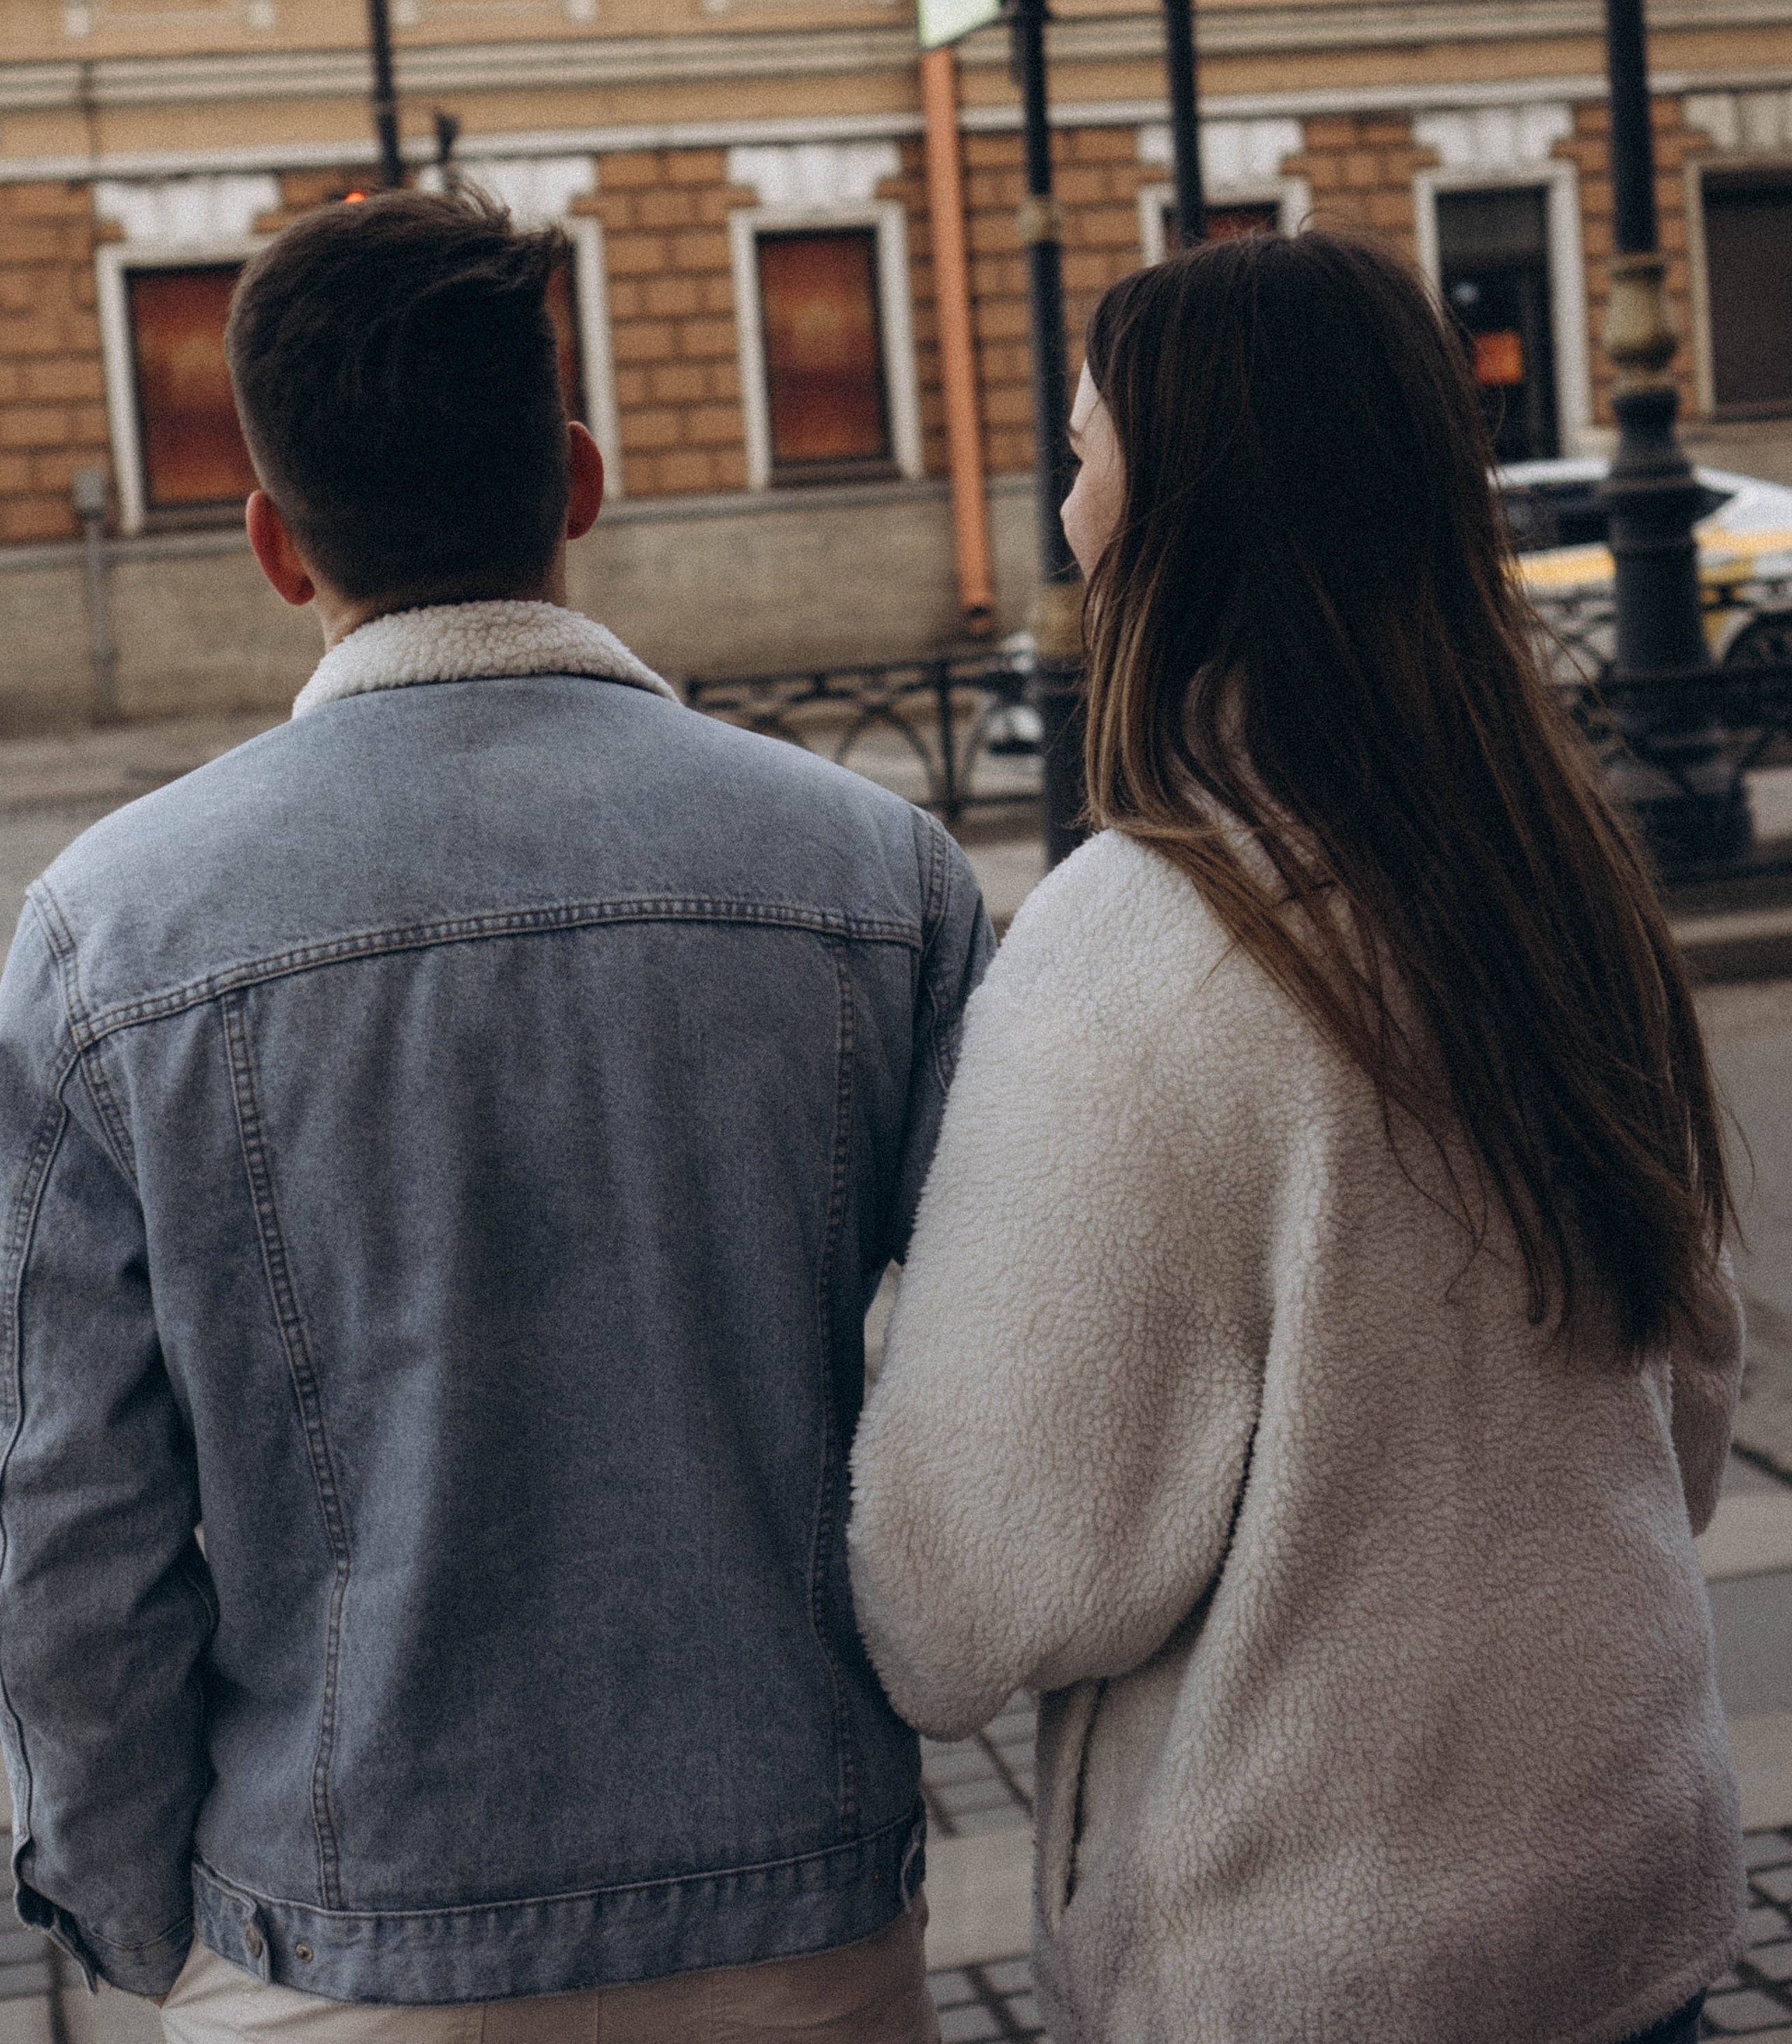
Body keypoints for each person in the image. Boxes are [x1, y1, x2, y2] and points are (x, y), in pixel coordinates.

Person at [0, 187, 989, 2042]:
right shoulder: (880, 877)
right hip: (798, 1925)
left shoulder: (107, 935)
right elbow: (986, 1409)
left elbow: (67, 1525)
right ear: (583, 479)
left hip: (336, 1935)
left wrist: (150, 1922)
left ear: (273, 543)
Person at [849, 230, 1745, 2044]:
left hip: (1321, 1965)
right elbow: (1695, 1414)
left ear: (1186, 522)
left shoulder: (1137, 951)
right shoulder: (1558, 875)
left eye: (1089, 461)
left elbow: (962, 1602)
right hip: (1628, 1910)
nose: (1069, 520)